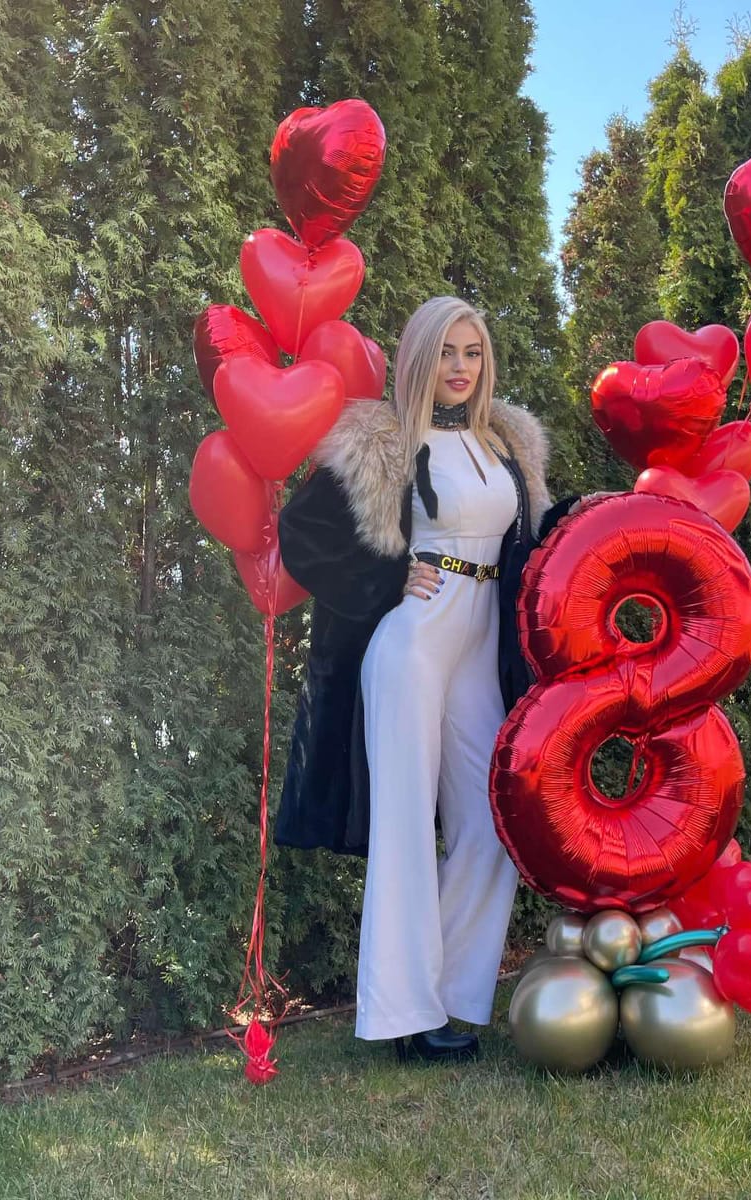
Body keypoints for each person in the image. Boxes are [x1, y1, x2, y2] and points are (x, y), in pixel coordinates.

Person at [276, 296, 577, 1062]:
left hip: (481, 640)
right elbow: (302, 532)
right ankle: (403, 1019)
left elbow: (536, 539)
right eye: (446, 352)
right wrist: (385, 580)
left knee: (492, 822)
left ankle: (443, 997)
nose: (460, 367)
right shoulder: (385, 438)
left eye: (472, 353)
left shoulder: (507, 442)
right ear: (419, 357)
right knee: (404, 826)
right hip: (414, 637)